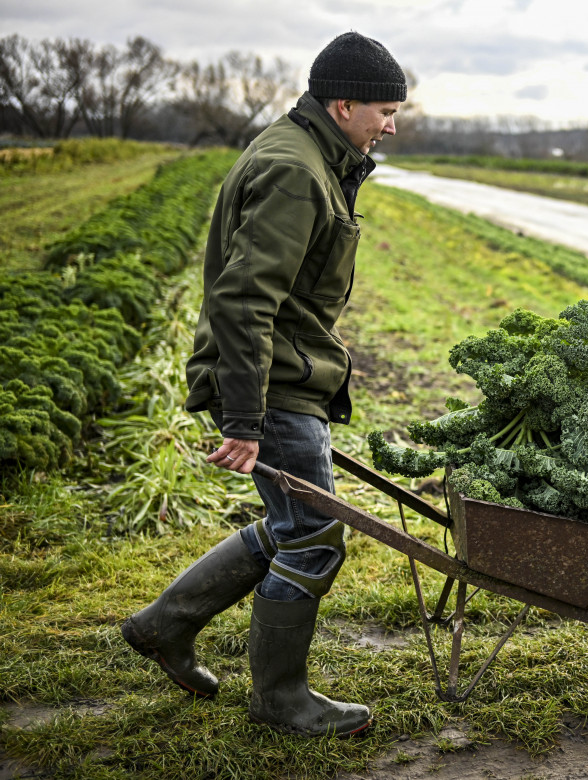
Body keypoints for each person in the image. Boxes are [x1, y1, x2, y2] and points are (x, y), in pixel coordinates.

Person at [121, 31, 406, 739]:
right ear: (343, 105)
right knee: (313, 537)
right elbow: (245, 301)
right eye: (386, 110)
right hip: (273, 384)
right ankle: (280, 699)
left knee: (292, 524)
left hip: (284, 376)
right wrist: (244, 418)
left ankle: (164, 625)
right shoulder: (294, 170)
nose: (393, 124)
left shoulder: (311, 154)